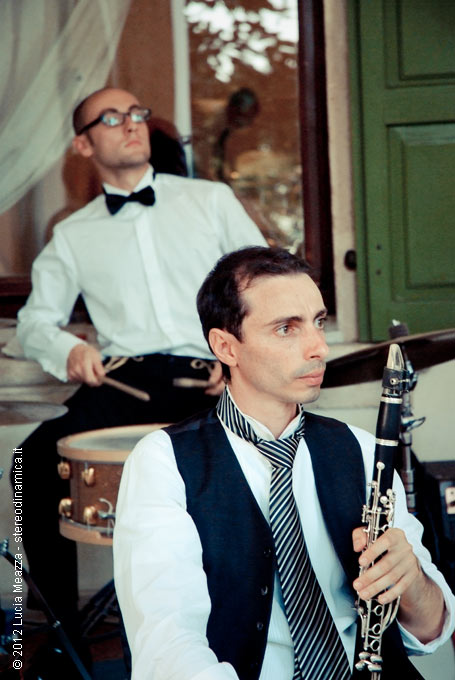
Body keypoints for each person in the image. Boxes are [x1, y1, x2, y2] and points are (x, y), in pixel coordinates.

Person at [113, 246, 455, 680]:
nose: (319, 348)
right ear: (226, 346)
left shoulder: (363, 449)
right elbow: (168, 645)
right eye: (286, 329)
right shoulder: (163, 463)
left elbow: (429, 631)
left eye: (319, 322)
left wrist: (413, 582)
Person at [13, 88, 266, 642]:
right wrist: (68, 350)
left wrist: (238, 357)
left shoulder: (211, 200)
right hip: (123, 382)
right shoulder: (72, 234)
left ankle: (247, 632)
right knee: (28, 464)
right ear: (83, 145)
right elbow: (34, 323)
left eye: (136, 114)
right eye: (111, 118)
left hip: (212, 377)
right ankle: (65, 641)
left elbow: (263, 288)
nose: (130, 124)